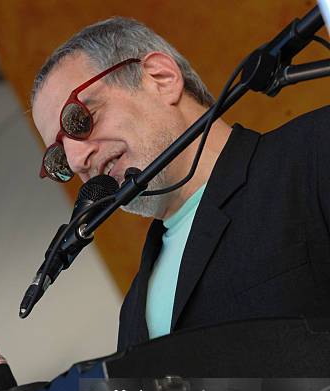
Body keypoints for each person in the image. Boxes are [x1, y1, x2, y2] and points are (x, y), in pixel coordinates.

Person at [31, 16, 330, 353]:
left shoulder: (315, 151)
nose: (76, 160)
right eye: (58, 159)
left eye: (80, 120)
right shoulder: (133, 313)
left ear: (161, 78)